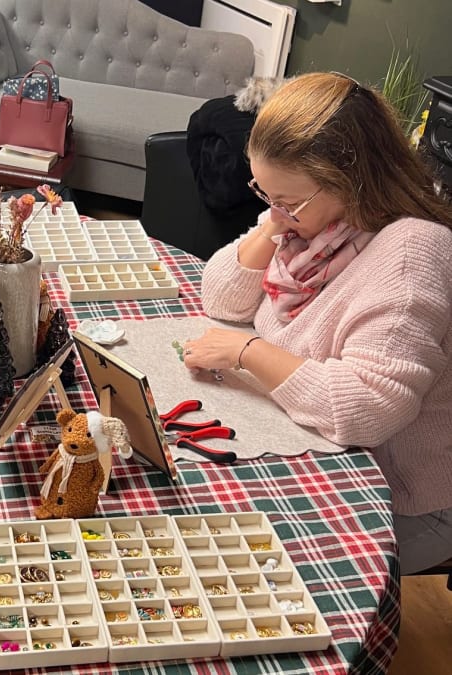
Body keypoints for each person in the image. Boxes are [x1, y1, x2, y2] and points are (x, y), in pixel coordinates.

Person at [183, 72, 452, 575]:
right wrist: (273, 224)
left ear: (351, 181)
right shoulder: (314, 225)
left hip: (408, 494)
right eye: (263, 192)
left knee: (244, 568)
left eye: (287, 200)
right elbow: (221, 296)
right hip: (322, 444)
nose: (274, 210)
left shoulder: (411, 253)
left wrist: (247, 354)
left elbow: (367, 410)